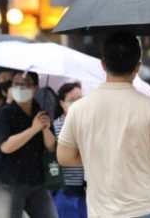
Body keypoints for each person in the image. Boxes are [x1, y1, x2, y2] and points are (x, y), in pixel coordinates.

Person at [57, 31, 150, 218]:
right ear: (137, 67)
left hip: (101, 213)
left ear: (103, 64)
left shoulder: (78, 108)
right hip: (144, 210)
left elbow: (64, 157)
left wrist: (103, 157)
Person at [0, 71, 58, 218]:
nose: (20, 87)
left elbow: (50, 147)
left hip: (37, 181)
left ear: (35, 88)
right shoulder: (5, 113)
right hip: (9, 182)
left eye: (25, 84)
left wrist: (45, 129)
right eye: (16, 83)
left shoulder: (40, 112)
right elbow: (6, 146)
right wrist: (33, 129)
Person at [53, 82, 87, 218]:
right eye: (72, 100)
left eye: (80, 99)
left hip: (82, 190)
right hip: (64, 190)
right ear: (61, 103)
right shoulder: (58, 126)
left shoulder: (86, 125)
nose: (78, 103)